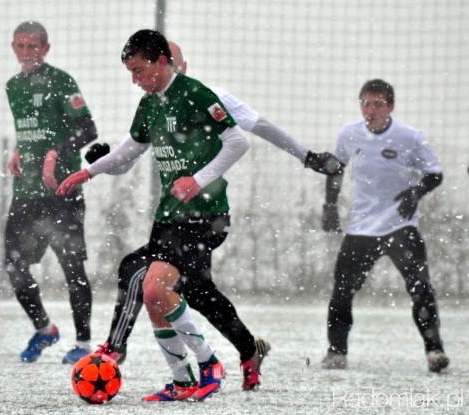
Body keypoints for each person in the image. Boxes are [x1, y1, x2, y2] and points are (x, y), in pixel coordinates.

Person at [84, 40, 342, 392]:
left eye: (165, 63)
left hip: (204, 215)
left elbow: (258, 126)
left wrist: (306, 155)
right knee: (198, 292)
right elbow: (129, 158)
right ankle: (249, 349)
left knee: (138, 271)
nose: (143, 77)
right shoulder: (155, 103)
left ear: (177, 64)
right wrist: (100, 164)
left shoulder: (207, 96)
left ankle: (118, 349)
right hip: (175, 217)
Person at [320, 79, 449, 373]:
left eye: (377, 104)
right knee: (342, 290)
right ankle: (336, 352)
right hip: (361, 228)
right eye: (365, 103)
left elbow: (435, 174)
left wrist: (416, 193)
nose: (370, 110)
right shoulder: (349, 133)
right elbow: (336, 168)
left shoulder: (409, 137)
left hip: (400, 225)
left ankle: (434, 351)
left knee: (420, 288)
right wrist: (329, 206)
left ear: (390, 107)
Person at [5, 21, 97, 364]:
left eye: (33, 46)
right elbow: (33, 127)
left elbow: (87, 128)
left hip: (61, 193)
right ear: (13, 48)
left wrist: (55, 153)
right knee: (14, 265)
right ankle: (45, 329)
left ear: (46, 48)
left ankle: (84, 345)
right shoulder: (13, 86)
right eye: (20, 46)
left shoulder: (62, 82)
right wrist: (18, 149)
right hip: (26, 192)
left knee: (72, 269)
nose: (26, 53)